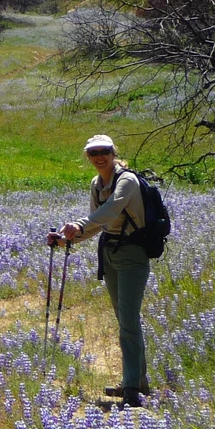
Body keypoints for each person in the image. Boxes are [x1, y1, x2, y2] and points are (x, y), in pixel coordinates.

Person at [52, 134, 150, 409]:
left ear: (112, 152)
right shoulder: (97, 183)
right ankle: (139, 382)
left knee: (129, 320)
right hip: (109, 253)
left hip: (133, 253)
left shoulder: (127, 180)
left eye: (104, 151)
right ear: (88, 156)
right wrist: (66, 238)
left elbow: (111, 210)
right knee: (124, 319)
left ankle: (131, 387)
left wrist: (79, 225)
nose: (99, 157)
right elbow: (97, 225)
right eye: (93, 152)